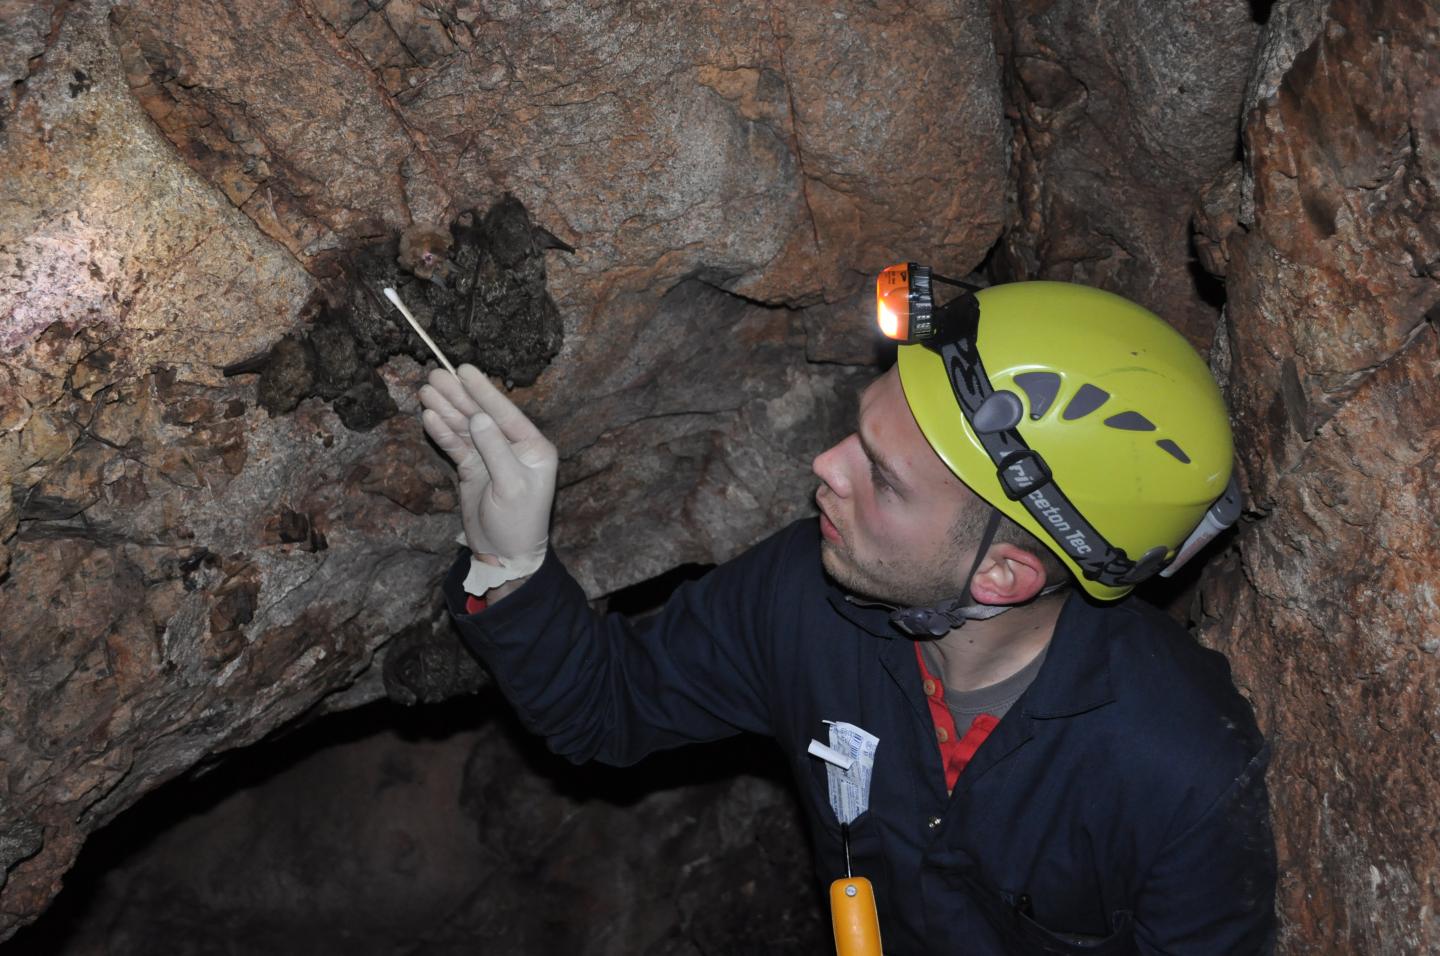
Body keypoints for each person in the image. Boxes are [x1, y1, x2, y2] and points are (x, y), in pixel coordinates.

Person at [417, 268, 1276, 955]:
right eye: (858, 433)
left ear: (1003, 575)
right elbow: (607, 706)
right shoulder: (807, 597)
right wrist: (510, 561)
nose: (826, 467)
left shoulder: (1174, 770)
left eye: (883, 479)